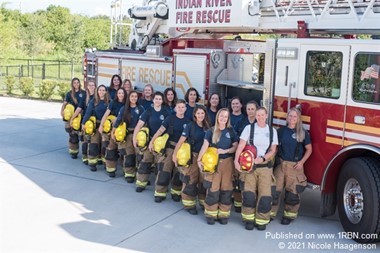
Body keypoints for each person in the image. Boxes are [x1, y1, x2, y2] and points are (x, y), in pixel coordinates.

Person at [234, 107, 278, 231]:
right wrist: (236, 161)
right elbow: (241, 146)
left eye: (262, 115)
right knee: (248, 194)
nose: (260, 117)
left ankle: (261, 220)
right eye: (258, 115)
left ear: (266, 115)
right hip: (249, 168)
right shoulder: (249, 128)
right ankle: (248, 219)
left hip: (265, 167)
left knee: (265, 195)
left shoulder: (272, 131)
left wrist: (263, 158)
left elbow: (273, 150)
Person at [271, 107, 312, 225]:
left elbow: (309, 149)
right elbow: (275, 147)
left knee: (292, 194)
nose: (292, 118)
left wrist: (302, 162)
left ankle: (288, 216)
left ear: (298, 119)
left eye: (295, 116)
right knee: (274, 191)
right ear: (287, 117)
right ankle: (271, 213)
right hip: (281, 164)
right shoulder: (281, 131)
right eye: (290, 116)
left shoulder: (303, 133)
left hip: (295, 166)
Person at [198, 108, 238, 225]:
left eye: (225, 117)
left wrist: (225, 151)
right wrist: (199, 160)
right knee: (213, 188)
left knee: (226, 189)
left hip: (227, 163)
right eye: (221, 116)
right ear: (217, 117)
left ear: (228, 119)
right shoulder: (211, 131)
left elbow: (235, 147)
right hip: (213, 164)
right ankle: (210, 213)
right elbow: (205, 146)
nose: (223, 118)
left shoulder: (231, 131)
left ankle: (223, 214)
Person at [149, 99, 190, 203]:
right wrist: (151, 142)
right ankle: (160, 193)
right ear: (175, 108)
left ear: (185, 109)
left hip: (181, 151)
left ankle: (175, 192)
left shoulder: (188, 122)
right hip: (169, 148)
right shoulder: (169, 119)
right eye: (178, 107)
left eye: (182, 107)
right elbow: (160, 131)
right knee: (164, 171)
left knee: (178, 173)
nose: (180, 109)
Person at [173, 105, 210, 215]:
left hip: (204, 158)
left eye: (202, 113)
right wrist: (175, 154)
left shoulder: (208, 126)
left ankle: (203, 203)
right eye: (198, 113)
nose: (200, 115)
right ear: (194, 114)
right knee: (190, 180)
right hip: (193, 157)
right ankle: (189, 204)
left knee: (204, 181)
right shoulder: (190, 126)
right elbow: (180, 141)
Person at [133, 91, 169, 192]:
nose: (158, 101)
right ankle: (141, 183)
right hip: (149, 141)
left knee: (160, 166)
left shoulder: (165, 113)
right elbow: (139, 125)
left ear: (162, 101)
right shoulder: (148, 111)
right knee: (145, 162)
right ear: (153, 100)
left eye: (160, 99)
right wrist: (134, 138)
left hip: (161, 144)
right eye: (156, 99)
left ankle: (159, 187)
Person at [232, 100, 259, 213]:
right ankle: (237, 203)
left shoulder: (260, 123)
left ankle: (250, 203)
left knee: (251, 181)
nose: (250, 111)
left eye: (253, 109)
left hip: (255, 156)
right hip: (241, 154)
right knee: (238, 180)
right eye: (248, 109)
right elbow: (236, 138)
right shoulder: (241, 122)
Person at [112, 91, 145, 182]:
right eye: (132, 96)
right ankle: (129, 174)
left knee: (139, 156)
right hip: (127, 135)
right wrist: (113, 132)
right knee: (129, 155)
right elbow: (118, 121)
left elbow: (145, 122)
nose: (134, 98)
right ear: (128, 98)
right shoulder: (124, 109)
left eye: (135, 96)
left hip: (137, 135)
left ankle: (140, 176)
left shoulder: (141, 108)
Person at [99, 87, 127, 177]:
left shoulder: (127, 104)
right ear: (116, 94)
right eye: (119, 93)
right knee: (111, 148)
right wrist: (101, 125)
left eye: (122, 93)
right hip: (113, 129)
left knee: (123, 150)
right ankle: (111, 169)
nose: (121, 95)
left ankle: (125, 170)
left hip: (123, 130)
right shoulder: (113, 103)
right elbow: (106, 114)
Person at [82, 85, 110, 171]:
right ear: (97, 91)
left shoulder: (109, 102)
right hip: (95, 126)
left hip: (106, 127)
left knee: (105, 145)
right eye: (100, 90)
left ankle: (105, 162)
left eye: (103, 90)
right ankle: (92, 163)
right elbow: (88, 113)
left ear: (106, 92)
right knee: (94, 144)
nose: (101, 92)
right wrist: (83, 123)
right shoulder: (93, 101)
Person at [70, 79, 97, 165]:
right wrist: (72, 118)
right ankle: (85, 157)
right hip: (85, 121)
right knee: (84, 140)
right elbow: (79, 108)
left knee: (93, 142)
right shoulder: (85, 96)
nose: (91, 87)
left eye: (93, 85)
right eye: (90, 85)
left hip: (95, 122)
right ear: (87, 87)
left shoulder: (98, 96)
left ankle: (94, 158)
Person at [60, 77, 86, 159]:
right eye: (74, 83)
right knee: (72, 135)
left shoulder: (84, 93)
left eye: (77, 82)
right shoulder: (69, 94)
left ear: (79, 83)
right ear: (72, 84)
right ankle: (73, 152)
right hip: (72, 116)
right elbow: (65, 103)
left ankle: (85, 153)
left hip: (80, 115)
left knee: (82, 135)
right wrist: (62, 111)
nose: (76, 84)